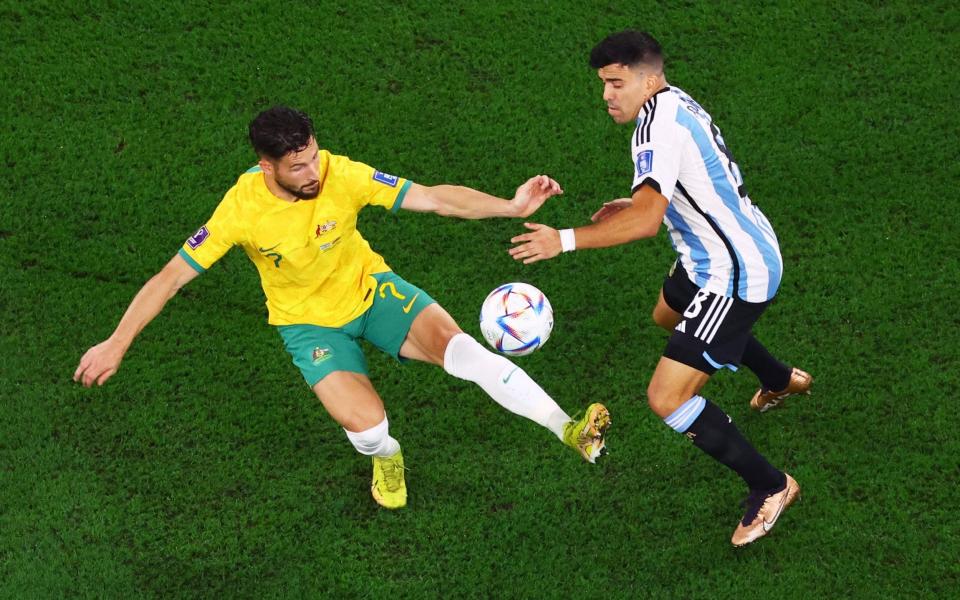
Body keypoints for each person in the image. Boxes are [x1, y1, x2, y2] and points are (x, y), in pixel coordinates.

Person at [73, 106, 610, 510]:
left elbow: (433, 197)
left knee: (464, 353)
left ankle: (568, 428)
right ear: (267, 166)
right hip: (308, 325)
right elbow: (170, 277)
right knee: (369, 426)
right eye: (297, 167)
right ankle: (385, 457)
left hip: (372, 289)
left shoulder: (339, 173)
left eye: (312, 157)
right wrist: (117, 341)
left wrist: (510, 206)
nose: (312, 173)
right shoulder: (240, 210)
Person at [508, 31, 810, 546]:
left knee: (666, 397)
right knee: (668, 315)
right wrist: (638, 204)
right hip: (712, 251)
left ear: (648, 79)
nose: (607, 95)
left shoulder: (654, 130)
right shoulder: (671, 102)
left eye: (616, 83)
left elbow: (649, 222)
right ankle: (780, 380)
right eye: (603, 83)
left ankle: (771, 485)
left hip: (733, 273)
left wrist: (564, 239)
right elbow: (692, 179)